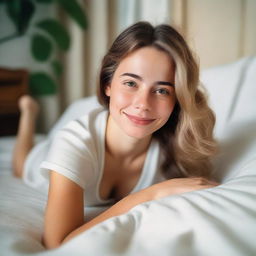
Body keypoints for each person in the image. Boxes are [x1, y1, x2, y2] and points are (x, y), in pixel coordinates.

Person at [12, 21, 219, 249]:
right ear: (107, 84)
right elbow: (57, 243)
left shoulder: (177, 146)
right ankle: (29, 114)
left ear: (177, 98)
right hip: (43, 157)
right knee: (21, 165)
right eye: (131, 83)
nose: (143, 104)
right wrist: (151, 194)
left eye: (162, 90)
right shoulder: (73, 143)